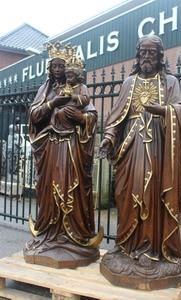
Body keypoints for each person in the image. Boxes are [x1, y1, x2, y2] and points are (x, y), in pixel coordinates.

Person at [99, 35, 181, 289]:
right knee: (126, 195)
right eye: (143, 52)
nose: (147, 57)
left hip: (158, 149)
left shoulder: (169, 82)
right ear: (138, 56)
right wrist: (107, 139)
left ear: (160, 56)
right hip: (130, 148)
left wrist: (163, 110)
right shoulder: (129, 82)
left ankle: (150, 250)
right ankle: (126, 246)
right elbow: (116, 117)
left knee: (151, 195)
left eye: (152, 52)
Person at [24, 42, 103, 269]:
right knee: (49, 189)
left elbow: (91, 115)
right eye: (55, 66)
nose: (58, 71)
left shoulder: (79, 88)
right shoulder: (45, 90)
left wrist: (79, 118)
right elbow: (35, 115)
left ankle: (74, 236)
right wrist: (52, 103)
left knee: (73, 187)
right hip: (50, 146)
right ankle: (49, 232)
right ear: (50, 69)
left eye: (62, 66)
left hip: (72, 147)